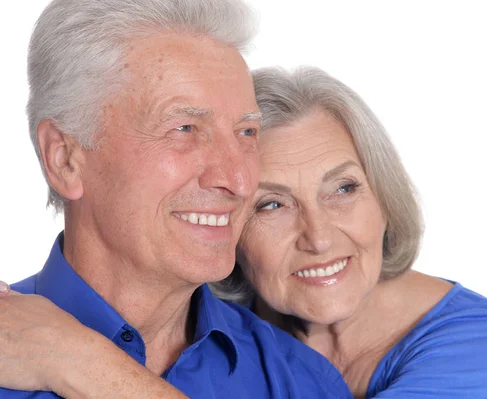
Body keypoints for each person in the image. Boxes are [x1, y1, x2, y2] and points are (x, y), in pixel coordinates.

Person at [0, 64, 487, 398]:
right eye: (273, 204)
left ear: (385, 196)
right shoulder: (215, 322)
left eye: (344, 189)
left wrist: (78, 360)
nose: (319, 237)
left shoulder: (486, 345)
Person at [0, 0, 354, 398]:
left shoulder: (302, 381)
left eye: (247, 133)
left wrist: (82, 362)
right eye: (185, 129)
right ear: (64, 158)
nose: (238, 180)